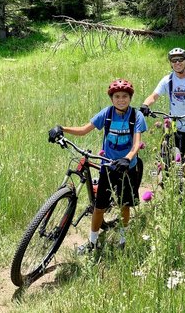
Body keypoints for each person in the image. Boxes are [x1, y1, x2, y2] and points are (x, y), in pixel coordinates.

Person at [48, 79, 147, 251]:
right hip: (107, 169)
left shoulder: (136, 116)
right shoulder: (107, 113)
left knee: (124, 205)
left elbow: (137, 143)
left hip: (126, 168)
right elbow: (84, 129)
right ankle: (92, 243)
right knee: (99, 207)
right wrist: (62, 128)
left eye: (125, 96)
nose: (121, 100)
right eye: (117, 96)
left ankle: (123, 240)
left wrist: (128, 158)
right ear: (111, 98)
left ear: (130, 98)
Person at [140, 48, 185, 192]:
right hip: (175, 126)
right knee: (171, 158)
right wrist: (145, 105)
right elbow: (153, 96)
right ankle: (178, 184)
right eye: (174, 60)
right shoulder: (167, 80)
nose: (178, 62)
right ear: (171, 64)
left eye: (180, 59)